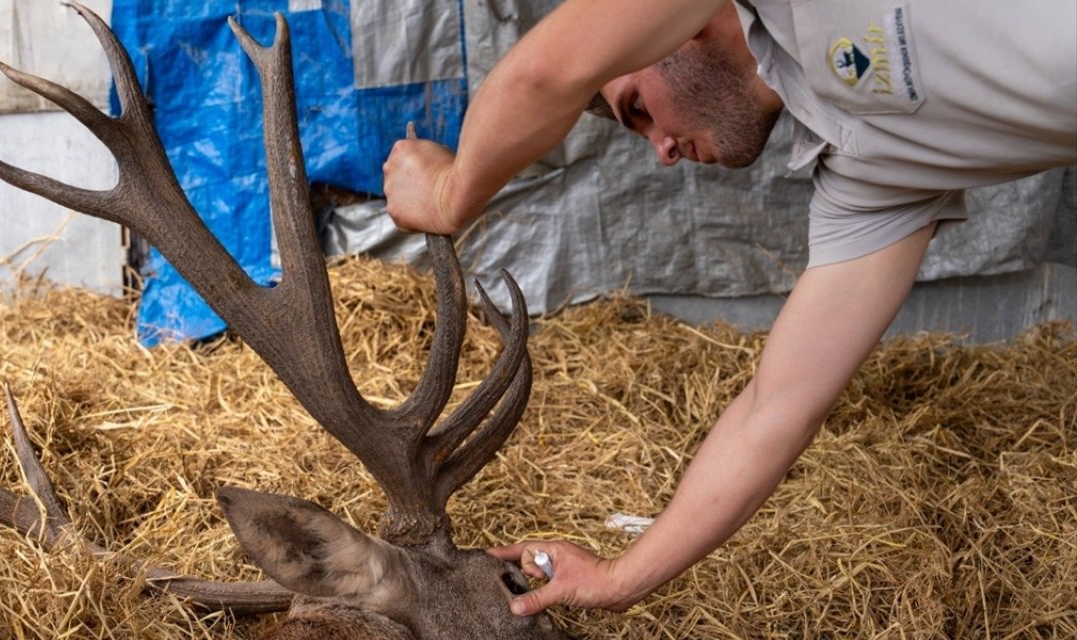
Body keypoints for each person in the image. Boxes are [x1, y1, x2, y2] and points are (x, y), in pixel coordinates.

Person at [382, 0, 1077, 617]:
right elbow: (774, 410)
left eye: (637, 108)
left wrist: (449, 193)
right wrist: (620, 577)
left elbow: (548, 71)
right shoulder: (872, 171)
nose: (660, 150)